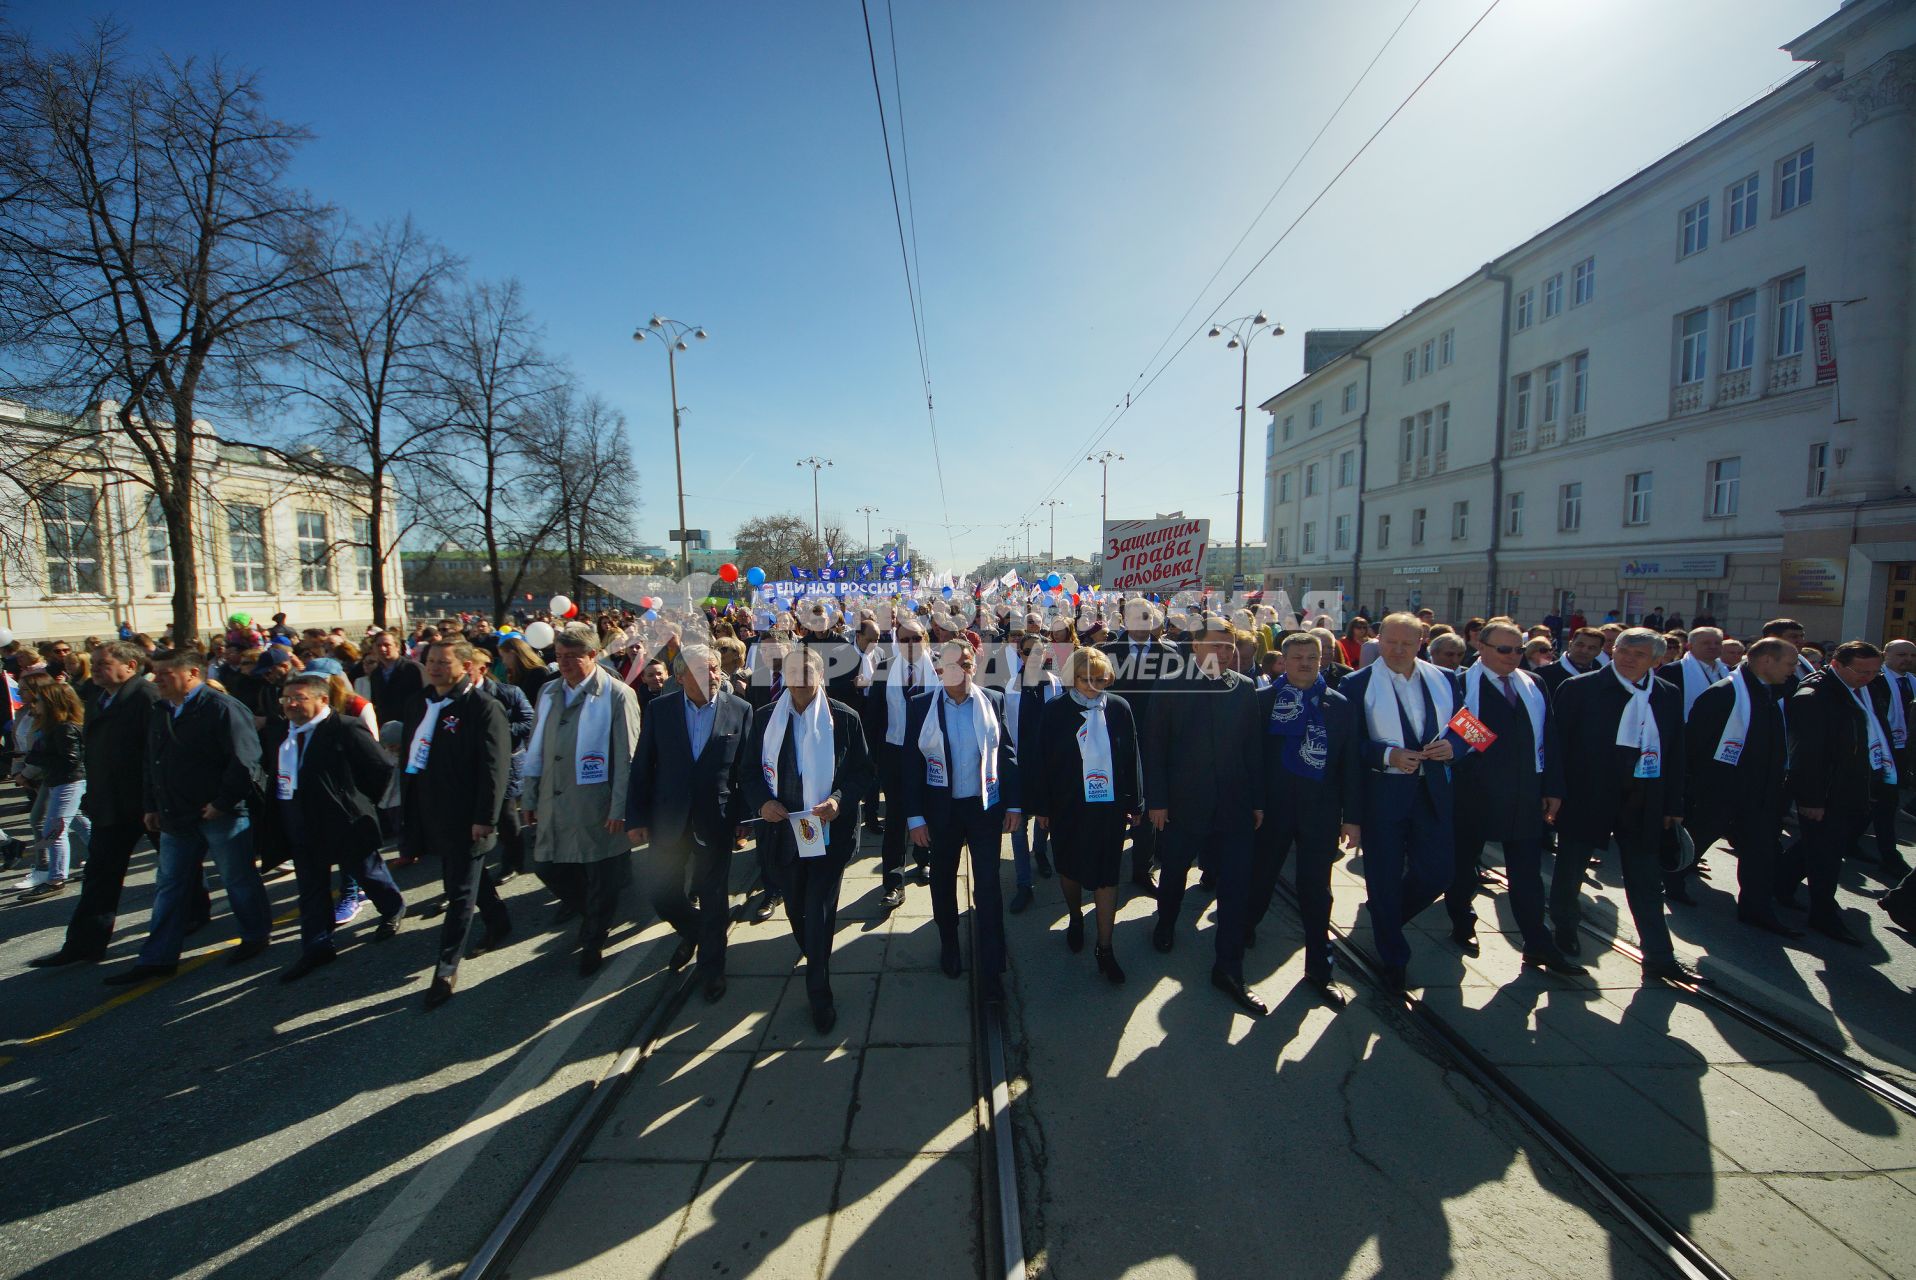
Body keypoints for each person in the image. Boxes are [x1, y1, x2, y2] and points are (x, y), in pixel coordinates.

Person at [104, 649, 272, 985]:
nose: (158, 680)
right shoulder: (162, 709)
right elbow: (153, 761)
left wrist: (222, 803)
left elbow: (245, 762)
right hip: (175, 815)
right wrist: (151, 805)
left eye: (166, 673)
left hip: (220, 815)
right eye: (156, 673)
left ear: (192, 673)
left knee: (237, 879)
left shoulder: (221, 707)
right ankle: (158, 958)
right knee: (170, 885)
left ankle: (254, 936)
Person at [1549, 628, 1697, 982]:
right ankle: (1564, 930)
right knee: (1570, 871)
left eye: (1640, 653)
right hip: (1588, 795)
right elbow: (1557, 745)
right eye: (1624, 650)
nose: (1630, 657)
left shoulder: (1666, 693)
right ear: (1613, 651)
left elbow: (1676, 750)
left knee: (1646, 880)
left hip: (1644, 800)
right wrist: (1554, 791)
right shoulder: (1580, 688)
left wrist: (1674, 803)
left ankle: (1659, 956)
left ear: (1657, 661)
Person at [742, 644, 875, 1030]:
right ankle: (814, 951)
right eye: (791, 672)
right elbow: (749, 772)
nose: (798, 680)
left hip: (827, 832)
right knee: (796, 907)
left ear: (820, 677)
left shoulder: (844, 719)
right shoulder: (767, 717)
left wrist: (838, 800)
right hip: (783, 831)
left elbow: (864, 774)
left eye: (806, 672)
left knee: (817, 909)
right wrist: (763, 803)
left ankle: (819, 991)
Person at [1144, 616, 1267, 1014]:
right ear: (1195, 646)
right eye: (1217, 644)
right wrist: (1157, 801)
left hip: (1234, 807)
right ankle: (1166, 922)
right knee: (1176, 868)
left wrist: (1257, 800)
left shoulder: (1244, 688)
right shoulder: (1170, 686)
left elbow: (1253, 748)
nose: (1226, 652)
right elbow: (1154, 747)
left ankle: (1228, 967)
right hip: (1183, 805)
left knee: (1235, 885)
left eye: (1230, 646)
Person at [1448, 621, 1582, 974]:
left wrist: (1553, 787)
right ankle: (1462, 920)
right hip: (1474, 793)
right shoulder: (1460, 684)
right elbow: (1459, 735)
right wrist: (1493, 754)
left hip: (1525, 793)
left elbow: (1549, 737)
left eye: (1518, 650)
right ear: (1482, 647)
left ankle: (1538, 943)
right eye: (1503, 650)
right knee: (1464, 867)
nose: (1512, 657)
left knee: (1527, 874)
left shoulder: (1533, 683)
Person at [1340, 613, 1463, 991]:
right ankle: (1393, 956)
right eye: (1390, 641)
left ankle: (1386, 918)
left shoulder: (1444, 678)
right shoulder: (1356, 683)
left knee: (1438, 874)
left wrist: (1455, 746)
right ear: (1380, 639)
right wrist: (1386, 755)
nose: (1396, 650)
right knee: (1383, 877)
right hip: (1384, 796)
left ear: (1421, 642)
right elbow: (1348, 747)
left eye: (1405, 643)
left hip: (1433, 793)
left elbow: (1472, 728)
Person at [628, 643, 753, 997]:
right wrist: (635, 816)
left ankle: (712, 970)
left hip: (716, 817)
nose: (712, 675)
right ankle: (695, 931)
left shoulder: (740, 710)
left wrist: (745, 817)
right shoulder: (659, 710)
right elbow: (642, 767)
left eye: (714, 668)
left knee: (714, 898)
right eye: (702, 670)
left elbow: (746, 768)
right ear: (681, 677)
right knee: (662, 894)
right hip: (668, 818)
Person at [1245, 632, 1361, 1006]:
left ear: (1322, 660)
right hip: (1272, 812)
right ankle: (1242, 930)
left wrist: (1352, 817)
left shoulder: (1339, 705)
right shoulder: (1263, 701)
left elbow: (1350, 764)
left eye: (1313, 657)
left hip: (1321, 813)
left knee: (1317, 892)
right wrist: (1254, 803)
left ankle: (1319, 970)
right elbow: (1251, 760)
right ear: (1283, 660)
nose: (1306, 663)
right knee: (1260, 879)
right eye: (1298, 658)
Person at [267, 674, 405, 981]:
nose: (290, 704)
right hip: (301, 822)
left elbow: (380, 767)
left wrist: (353, 799)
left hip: (344, 821)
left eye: (299, 697)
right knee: (311, 887)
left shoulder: (344, 728)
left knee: (367, 871)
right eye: (286, 698)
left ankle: (392, 907)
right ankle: (317, 946)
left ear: (323, 700)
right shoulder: (283, 733)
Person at [522, 625, 642, 976]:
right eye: (559, 657)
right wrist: (529, 795)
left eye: (572, 657)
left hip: (597, 804)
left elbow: (627, 758)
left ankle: (593, 940)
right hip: (554, 801)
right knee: (548, 867)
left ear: (592, 656)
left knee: (601, 878)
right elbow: (536, 749)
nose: (564, 664)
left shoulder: (616, 695)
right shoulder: (548, 692)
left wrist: (621, 808)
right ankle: (591, 915)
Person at [902, 638, 1019, 999]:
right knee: (942, 881)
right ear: (939, 669)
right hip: (943, 812)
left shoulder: (992, 700)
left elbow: (1007, 754)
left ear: (973, 665)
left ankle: (992, 961)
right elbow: (910, 764)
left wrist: (1014, 805)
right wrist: (915, 817)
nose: (961, 670)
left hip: (984, 808)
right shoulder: (922, 706)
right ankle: (949, 942)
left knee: (987, 885)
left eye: (966, 664)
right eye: (952, 665)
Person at [399, 639, 512, 1008]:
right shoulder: (420, 703)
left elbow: (494, 768)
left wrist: (485, 818)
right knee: (464, 879)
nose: (434, 667)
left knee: (459, 889)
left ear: (465, 666)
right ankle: (498, 921)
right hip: (432, 811)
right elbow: (412, 758)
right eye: (429, 661)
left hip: (468, 816)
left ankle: (446, 968)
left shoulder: (482, 707)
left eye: (443, 662)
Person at [1028, 646, 1142, 984]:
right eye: (1086, 679)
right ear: (1072, 678)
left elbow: (1132, 755)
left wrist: (1135, 803)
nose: (1094, 686)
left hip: (1108, 809)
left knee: (1108, 874)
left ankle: (1105, 948)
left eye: (1101, 679)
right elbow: (1041, 761)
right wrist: (1044, 808)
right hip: (1068, 806)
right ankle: (1076, 917)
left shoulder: (1119, 708)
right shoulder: (1056, 711)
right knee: (1071, 868)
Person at [1781, 640, 1895, 944]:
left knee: (1818, 846)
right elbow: (1806, 755)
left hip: (1855, 787)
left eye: (1874, 671)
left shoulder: (1865, 692)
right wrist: (1810, 799)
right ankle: (1823, 915)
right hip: (1826, 792)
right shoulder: (1815, 697)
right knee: (1826, 857)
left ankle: (1779, 884)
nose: (1868, 677)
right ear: (1836, 665)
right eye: (1861, 671)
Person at [1685, 637, 1799, 936]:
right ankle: (1671, 879)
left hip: (1762, 792)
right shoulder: (1724, 694)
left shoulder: (1773, 693)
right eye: (1789, 663)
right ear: (1766, 661)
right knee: (1698, 838)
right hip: (1722, 790)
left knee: (1761, 851)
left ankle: (1756, 909)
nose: (1794, 670)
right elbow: (1697, 745)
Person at [1099, 600, 1180, 895]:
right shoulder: (1107, 654)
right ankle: (1106, 867)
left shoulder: (1171, 654)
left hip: (1157, 743)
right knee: (1113, 806)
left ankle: (1142, 870)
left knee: (1146, 809)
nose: (1142, 622)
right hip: (1115, 742)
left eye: (1147, 617)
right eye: (1136, 617)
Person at [1003, 633, 1062, 914]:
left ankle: (1040, 852)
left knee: (1045, 818)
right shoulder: (1009, 686)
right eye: (1028, 652)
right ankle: (1023, 883)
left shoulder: (1054, 683)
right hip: (1020, 766)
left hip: (1048, 766)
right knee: (1018, 826)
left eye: (1039, 652)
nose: (1034, 657)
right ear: (1020, 653)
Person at [18, 683, 88, 900]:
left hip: (68, 782)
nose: (34, 704)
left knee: (54, 830)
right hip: (60, 781)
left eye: (38, 700)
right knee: (78, 822)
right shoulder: (55, 726)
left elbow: (70, 760)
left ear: (51, 703)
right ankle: (106, 858)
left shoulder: (65, 728)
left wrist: (34, 758)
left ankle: (56, 878)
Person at [1864, 638, 1916, 881]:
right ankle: (1889, 856)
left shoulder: (1913, 682)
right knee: (1885, 802)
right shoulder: (1876, 681)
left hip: (1903, 748)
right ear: (1886, 655)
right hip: (1881, 747)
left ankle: (1853, 842)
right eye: (1901, 654)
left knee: (1877, 803)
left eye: (1911, 655)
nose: (1907, 659)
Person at [366, 630, 426, 725]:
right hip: (385, 726)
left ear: (397, 647)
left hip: (409, 723)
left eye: (387, 645)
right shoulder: (375, 674)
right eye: (378, 645)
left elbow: (422, 698)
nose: (382, 649)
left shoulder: (412, 669)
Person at [1674, 628, 1731, 719]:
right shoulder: (1674, 670)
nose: (1713, 646)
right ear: (1689, 646)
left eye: (1717, 643)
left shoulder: (1728, 670)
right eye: (1706, 643)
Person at [1540, 627, 1605, 702]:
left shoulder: (1602, 676)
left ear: (1599, 652)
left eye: (1591, 648)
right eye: (1580, 645)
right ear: (1570, 644)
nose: (1584, 651)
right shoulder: (1544, 674)